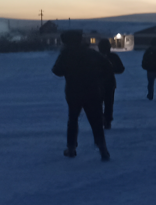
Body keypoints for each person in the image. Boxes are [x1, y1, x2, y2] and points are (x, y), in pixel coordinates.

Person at [52, 30, 111, 161]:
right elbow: (107, 66)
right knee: (96, 121)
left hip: (73, 92)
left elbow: (57, 71)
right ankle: (103, 149)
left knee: (72, 120)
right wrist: (98, 78)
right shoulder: (91, 53)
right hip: (92, 91)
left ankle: (71, 148)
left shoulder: (66, 55)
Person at [97, 38, 125, 130]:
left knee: (97, 104)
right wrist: (112, 70)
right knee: (109, 104)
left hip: (97, 84)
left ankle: (100, 120)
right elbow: (121, 69)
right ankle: (107, 121)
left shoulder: (95, 56)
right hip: (109, 83)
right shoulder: (113, 57)